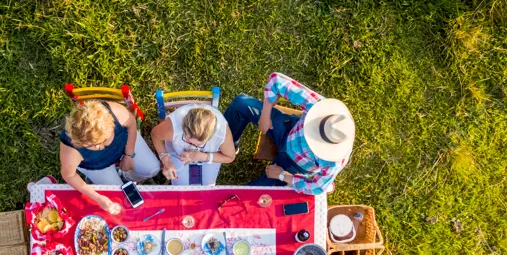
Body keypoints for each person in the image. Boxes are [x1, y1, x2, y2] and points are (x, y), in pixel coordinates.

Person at [223, 72, 354, 194]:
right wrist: (265, 114)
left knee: (249, 196)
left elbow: (318, 186)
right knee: (240, 103)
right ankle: (228, 146)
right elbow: (276, 80)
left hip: (295, 166)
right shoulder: (320, 106)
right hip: (287, 129)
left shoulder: (335, 160)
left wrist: (282, 175)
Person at [59, 101, 160, 214]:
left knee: (152, 168)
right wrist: (98, 198)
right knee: (118, 194)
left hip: (123, 145)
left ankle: (127, 177)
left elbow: (131, 124)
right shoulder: (70, 148)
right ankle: (117, 179)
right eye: (89, 145)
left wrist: (129, 154)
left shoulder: (117, 112)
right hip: (96, 164)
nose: (98, 147)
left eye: (103, 140)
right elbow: (69, 175)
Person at [150, 104, 236, 185]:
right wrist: (165, 158)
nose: (192, 147)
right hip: (177, 153)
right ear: (183, 128)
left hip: (210, 153)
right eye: (188, 141)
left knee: (208, 184)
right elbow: (155, 134)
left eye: (199, 144)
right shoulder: (173, 128)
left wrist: (204, 157)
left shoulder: (221, 134)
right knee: (181, 184)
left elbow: (230, 157)